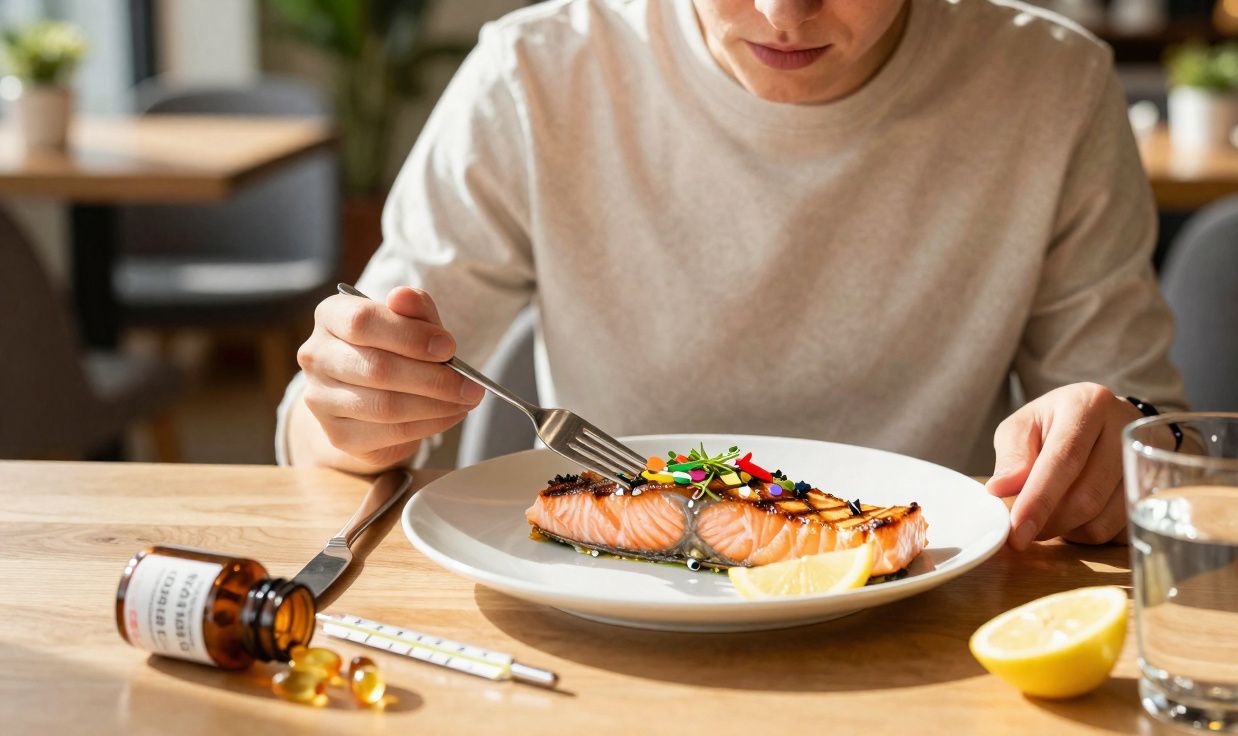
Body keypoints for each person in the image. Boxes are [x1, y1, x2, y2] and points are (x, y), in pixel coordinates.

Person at [278, 0, 1188, 552]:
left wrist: (1116, 447)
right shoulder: (535, 74)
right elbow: (322, 431)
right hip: (610, 600)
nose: (785, 17)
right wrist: (355, 408)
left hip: (924, 594)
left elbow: (1152, 435)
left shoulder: (1053, 85)